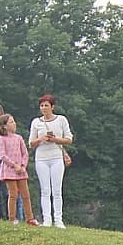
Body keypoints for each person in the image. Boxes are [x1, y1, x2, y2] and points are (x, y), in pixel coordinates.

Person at [28, 94, 73, 228]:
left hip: (56, 157)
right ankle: (47, 219)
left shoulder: (61, 120)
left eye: (46, 105)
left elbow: (69, 139)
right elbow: (31, 143)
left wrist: (55, 139)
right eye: (42, 106)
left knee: (57, 189)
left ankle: (58, 219)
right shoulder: (36, 122)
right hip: (41, 158)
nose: (44, 108)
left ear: (52, 107)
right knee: (45, 189)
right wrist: (42, 138)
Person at [0, 113, 37, 226]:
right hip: (9, 171)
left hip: (21, 171)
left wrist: (23, 165)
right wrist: (14, 165)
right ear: (4, 126)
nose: (14, 124)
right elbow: (2, 155)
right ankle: (12, 218)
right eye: (11, 122)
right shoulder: (1, 139)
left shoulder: (18, 138)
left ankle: (30, 218)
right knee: (13, 195)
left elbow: (25, 153)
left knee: (26, 195)